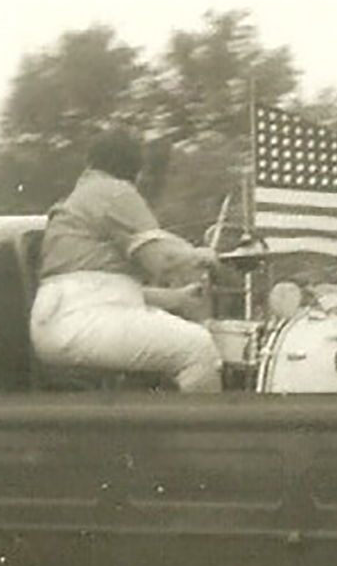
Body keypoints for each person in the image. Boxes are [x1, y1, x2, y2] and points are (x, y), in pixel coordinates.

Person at [30, 128, 223, 392]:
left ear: (91, 163)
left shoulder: (83, 196)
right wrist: (200, 255)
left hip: (63, 320)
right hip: (81, 319)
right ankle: (201, 434)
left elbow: (106, 290)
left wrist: (178, 298)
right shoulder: (115, 191)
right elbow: (161, 260)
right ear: (137, 172)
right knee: (198, 348)